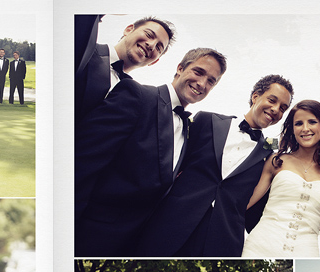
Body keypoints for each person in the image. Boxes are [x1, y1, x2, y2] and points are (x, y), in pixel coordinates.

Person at [74, 48, 225, 257]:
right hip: (91, 235)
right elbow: (84, 163)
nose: (202, 83)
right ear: (180, 68)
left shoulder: (189, 129)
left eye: (211, 81)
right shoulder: (136, 95)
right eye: (198, 72)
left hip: (136, 244)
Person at [141, 74, 293, 256]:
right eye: (272, 100)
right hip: (169, 224)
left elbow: (265, 204)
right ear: (255, 96)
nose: (276, 109)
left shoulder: (270, 155)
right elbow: (173, 163)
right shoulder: (206, 120)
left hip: (223, 242)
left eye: (283, 108)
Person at [242, 99, 320, 257]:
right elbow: (245, 203)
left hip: (306, 250)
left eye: (312, 122)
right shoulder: (276, 161)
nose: (305, 129)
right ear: (292, 129)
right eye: (299, 123)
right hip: (260, 245)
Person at [75, 15, 176, 122]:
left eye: (158, 48)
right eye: (149, 34)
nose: (151, 45)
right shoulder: (86, 49)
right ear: (128, 30)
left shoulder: (133, 96)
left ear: (154, 61)